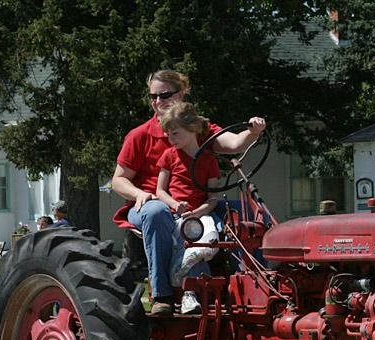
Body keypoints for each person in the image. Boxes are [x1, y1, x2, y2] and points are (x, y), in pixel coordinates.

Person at [110, 69, 265, 314]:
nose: (157, 102)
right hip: (153, 203)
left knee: (244, 212)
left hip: (198, 203)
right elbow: (118, 181)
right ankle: (163, 295)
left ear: (181, 94)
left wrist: (253, 132)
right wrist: (139, 194)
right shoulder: (140, 136)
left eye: (164, 95)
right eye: (153, 97)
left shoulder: (198, 129)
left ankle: (254, 288)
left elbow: (234, 143)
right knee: (156, 212)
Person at [155, 102, 220, 315]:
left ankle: (193, 290)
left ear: (192, 128)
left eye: (174, 133)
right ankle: (192, 292)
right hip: (177, 215)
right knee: (192, 234)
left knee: (204, 233)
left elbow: (212, 199)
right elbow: (160, 191)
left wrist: (199, 211)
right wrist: (176, 205)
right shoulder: (169, 156)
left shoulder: (209, 160)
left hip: (200, 215)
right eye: (168, 135)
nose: (170, 139)